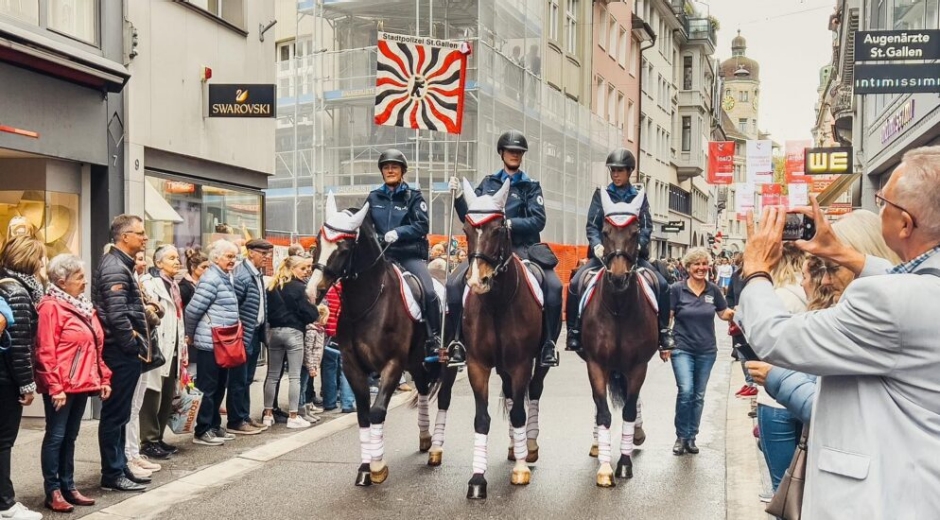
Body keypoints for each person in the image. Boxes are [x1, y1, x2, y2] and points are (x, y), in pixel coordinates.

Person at [738, 146, 940, 518]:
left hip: (882, 501)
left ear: (905, 224)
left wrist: (755, 270)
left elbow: (775, 337)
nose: (879, 209)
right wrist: (847, 255)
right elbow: (915, 288)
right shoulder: (920, 290)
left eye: (883, 203)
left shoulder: (887, 302)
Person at [744, 210, 899, 493]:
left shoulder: (876, 315)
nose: (824, 282)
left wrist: (756, 270)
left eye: (833, 267)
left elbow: (772, 336)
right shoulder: (907, 299)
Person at [445, 130, 562, 368]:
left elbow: (538, 220)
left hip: (523, 249)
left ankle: (548, 343)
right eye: (510, 151)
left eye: (518, 152)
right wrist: (458, 197)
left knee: (553, 286)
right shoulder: (488, 183)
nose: (514, 155)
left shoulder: (530, 186)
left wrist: (508, 224)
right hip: (488, 249)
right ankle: (458, 341)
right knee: (453, 284)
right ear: (502, 153)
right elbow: (471, 217)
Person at [564, 148, 673, 355]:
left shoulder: (639, 196)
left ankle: (664, 331)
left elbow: (647, 226)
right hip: (604, 255)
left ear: (629, 171)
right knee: (577, 282)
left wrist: (639, 244)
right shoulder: (601, 195)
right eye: (613, 170)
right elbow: (592, 225)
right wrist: (597, 244)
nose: (615, 174)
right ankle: (574, 331)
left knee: (662, 284)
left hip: (632, 257)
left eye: (620, 170)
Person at [34, 254, 111, 513]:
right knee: (56, 436)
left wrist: (103, 378)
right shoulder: (50, 306)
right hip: (62, 386)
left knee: (70, 436)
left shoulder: (82, 305)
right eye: (79, 277)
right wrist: (55, 387)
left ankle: (68, 485)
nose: (84, 282)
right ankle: (53, 490)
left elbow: (95, 345)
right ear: (61, 281)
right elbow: (45, 350)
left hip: (82, 382)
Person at [365, 149, 441, 360]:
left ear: (402, 171)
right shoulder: (373, 197)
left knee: (428, 291)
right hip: (382, 256)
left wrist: (398, 233)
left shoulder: (414, 197)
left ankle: (434, 338)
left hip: (409, 255)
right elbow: (365, 225)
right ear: (382, 172)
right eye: (386, 167)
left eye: (394, 167)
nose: (390, 170)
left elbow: (422, 225)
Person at [93, 215, 150, 492]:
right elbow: (116, 316)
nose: (145, 237)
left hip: (123, 350)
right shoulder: (115, 267)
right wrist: (133, 346)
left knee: (121, 413)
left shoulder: (120, 264)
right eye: (140, 233)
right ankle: (113, 472)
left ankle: (119, 466)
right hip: (119, 352)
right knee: (116, 414)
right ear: (124, 237)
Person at [661, 247, 735, 456]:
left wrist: (739, 312)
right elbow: (669, 318)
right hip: (681, 348)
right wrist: (665, 344)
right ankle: (681, 436)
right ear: (688, 267)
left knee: (698, 395)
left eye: (704, 264)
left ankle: (692, 436)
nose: (701, 268)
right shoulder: (677, 289)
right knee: (686, 391)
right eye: (697, 264)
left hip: (706, 350)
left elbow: (723, 314)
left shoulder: (713, 290)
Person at [0, 236, 46, 520]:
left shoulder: (5, 285)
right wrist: (27, 385)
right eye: (40, 258)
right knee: (4, 441)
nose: (43, 264)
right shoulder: (18, 291)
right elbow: (19, 346)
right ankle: (5, 504)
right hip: (6, 380)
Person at [185, 239, 242, 446]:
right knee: (208, 387)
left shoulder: (225, 277)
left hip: (223, 341)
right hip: (210, 341)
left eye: (234, 257)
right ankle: (203, 429)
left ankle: (214, 425)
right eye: (229, 256)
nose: (232, 261)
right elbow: (192, 311)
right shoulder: (211, 279)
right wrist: (190, 335)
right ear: (216, 257)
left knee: (219, 386)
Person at [138, 245, 188, 460]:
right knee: (153, 394)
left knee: (168, 393)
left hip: (174, 345)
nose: (177, 262)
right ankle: (148, 440)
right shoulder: (151, 283)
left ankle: (158, 437)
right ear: (158, 263)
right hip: (160, 345)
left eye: (177, 258)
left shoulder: (174, 285)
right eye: (171, 258)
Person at [262, 255, 319, 428]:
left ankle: (268, 413)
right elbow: (311, 314)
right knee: (294, 376)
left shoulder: (272, 286)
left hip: (274, 332)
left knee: (272, 375)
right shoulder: (299, 288)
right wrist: (312, 306)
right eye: (302, 268)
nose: (306, 271)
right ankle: (293, 416)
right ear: (292, 268)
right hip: (294, 332)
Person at [124, 253, 165, 480]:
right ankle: (128, 456)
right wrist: (150, 309)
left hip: (146, 350)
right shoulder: (129, 283)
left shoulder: (140, 282)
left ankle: (133, 453)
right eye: (138, 258)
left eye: (142, 259)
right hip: (136, 350)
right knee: (129, 408)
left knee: (136, 406)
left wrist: (151, 309)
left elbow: (158, 310)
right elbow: (148, 314)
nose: (142, 262)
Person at [231, 238, 273, 434]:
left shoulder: (255, 274)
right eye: (263, 253)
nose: (267, 257)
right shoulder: (241, 276)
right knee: (239, 379)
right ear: (250, 252)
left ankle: (244, 416)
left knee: (247, 378)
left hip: (254, 333)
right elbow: (234, 307)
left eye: (268, 253)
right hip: (243, 335)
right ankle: (236, 420)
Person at [321, 284, 355, 413]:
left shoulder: (328, 291)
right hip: (345, 335)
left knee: (328, 369)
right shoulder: (351, 292)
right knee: (347, 369)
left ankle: (329, 402)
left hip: (329, 336)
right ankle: (347, 403)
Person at [179, 248, 208, 378]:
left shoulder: (203, 284)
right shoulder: (185, 287)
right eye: (204, 267)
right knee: (191, 374)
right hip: (190, 337)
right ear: (193, 267)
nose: (207, 271)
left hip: (201, 336)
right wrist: (187, 334)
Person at [301, 303, 329, 422]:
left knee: (305, 385)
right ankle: (302, 410)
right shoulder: (312, 331)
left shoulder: (320, 331)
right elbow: (308, 350)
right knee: (302, 387)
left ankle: (307, 409)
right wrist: (311, 366)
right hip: (308, 364)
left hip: (313, 364)